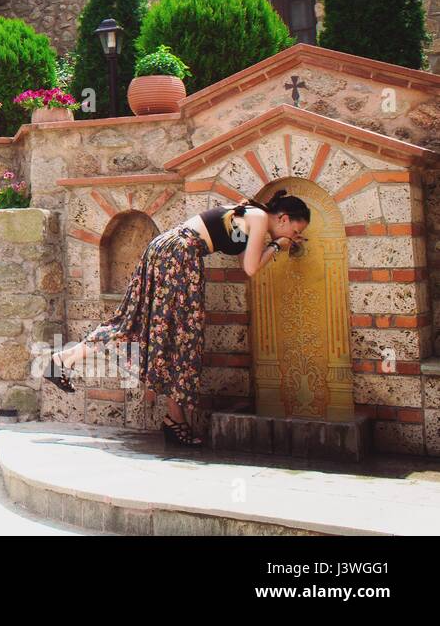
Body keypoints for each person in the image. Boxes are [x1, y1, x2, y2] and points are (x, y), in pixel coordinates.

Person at [43, 190, 311, 446]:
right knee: (173, 335)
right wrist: (277, 245)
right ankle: (64, 360)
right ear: (283, 218)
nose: (295, 236)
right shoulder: (261, 218)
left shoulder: (252, 217)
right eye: (295, 231)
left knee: (175, 336)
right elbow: (252, 269)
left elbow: (245, 263)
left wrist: (274, 243)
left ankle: (173, 417)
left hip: (172, 252)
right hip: (179, 255)